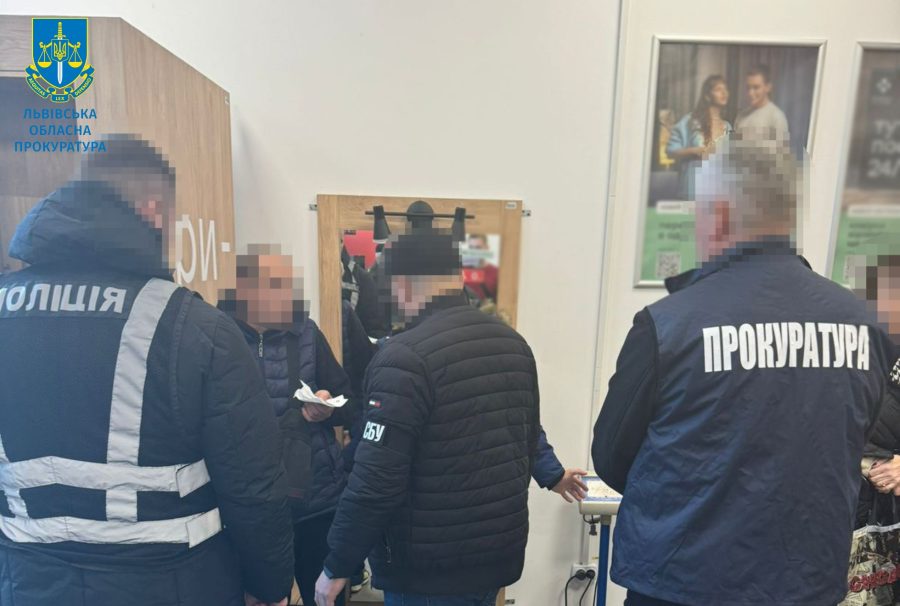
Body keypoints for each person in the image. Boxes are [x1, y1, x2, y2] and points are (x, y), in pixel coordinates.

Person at [591, 136, 894, 606]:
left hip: (683, 581)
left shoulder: (670, 325)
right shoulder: (865, 326)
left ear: (719, 214)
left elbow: (612, 456)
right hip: (804, 581)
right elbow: (855, 433)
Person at [0, 135, 293, 606]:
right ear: (154, 211)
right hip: (174, 584)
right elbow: (253, 488)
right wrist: (271, 586)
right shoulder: (195, 328)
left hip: (28, 584)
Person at [314, 228, 541, 606]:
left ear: (401, 284)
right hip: (497, 556)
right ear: (457, 277)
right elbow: (526, 447)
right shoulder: (513, 344)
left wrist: (338, 564)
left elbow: (376, 481)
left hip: (427, 571)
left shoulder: (403, 358)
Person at [218, 246, 361, 606]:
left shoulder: (306, 332)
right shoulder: (217, 337)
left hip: (317, 498)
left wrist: (327, 407)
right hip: (250, 508)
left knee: (324, 597)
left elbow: (348, 400)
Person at [666, 75, 732, 199]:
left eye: (726, 89)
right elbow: (670, 151)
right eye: (718, 89)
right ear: (707, 96)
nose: (724, 93)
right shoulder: (690, 121)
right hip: (692, 191)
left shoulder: (727, 127)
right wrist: (694, 151)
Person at [735, 64, 790, 143]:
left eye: (756, 87)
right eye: (748, 87)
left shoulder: (776, 117)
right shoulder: (741, 115)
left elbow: (780, 150)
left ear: (768, 87)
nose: (750, 93)